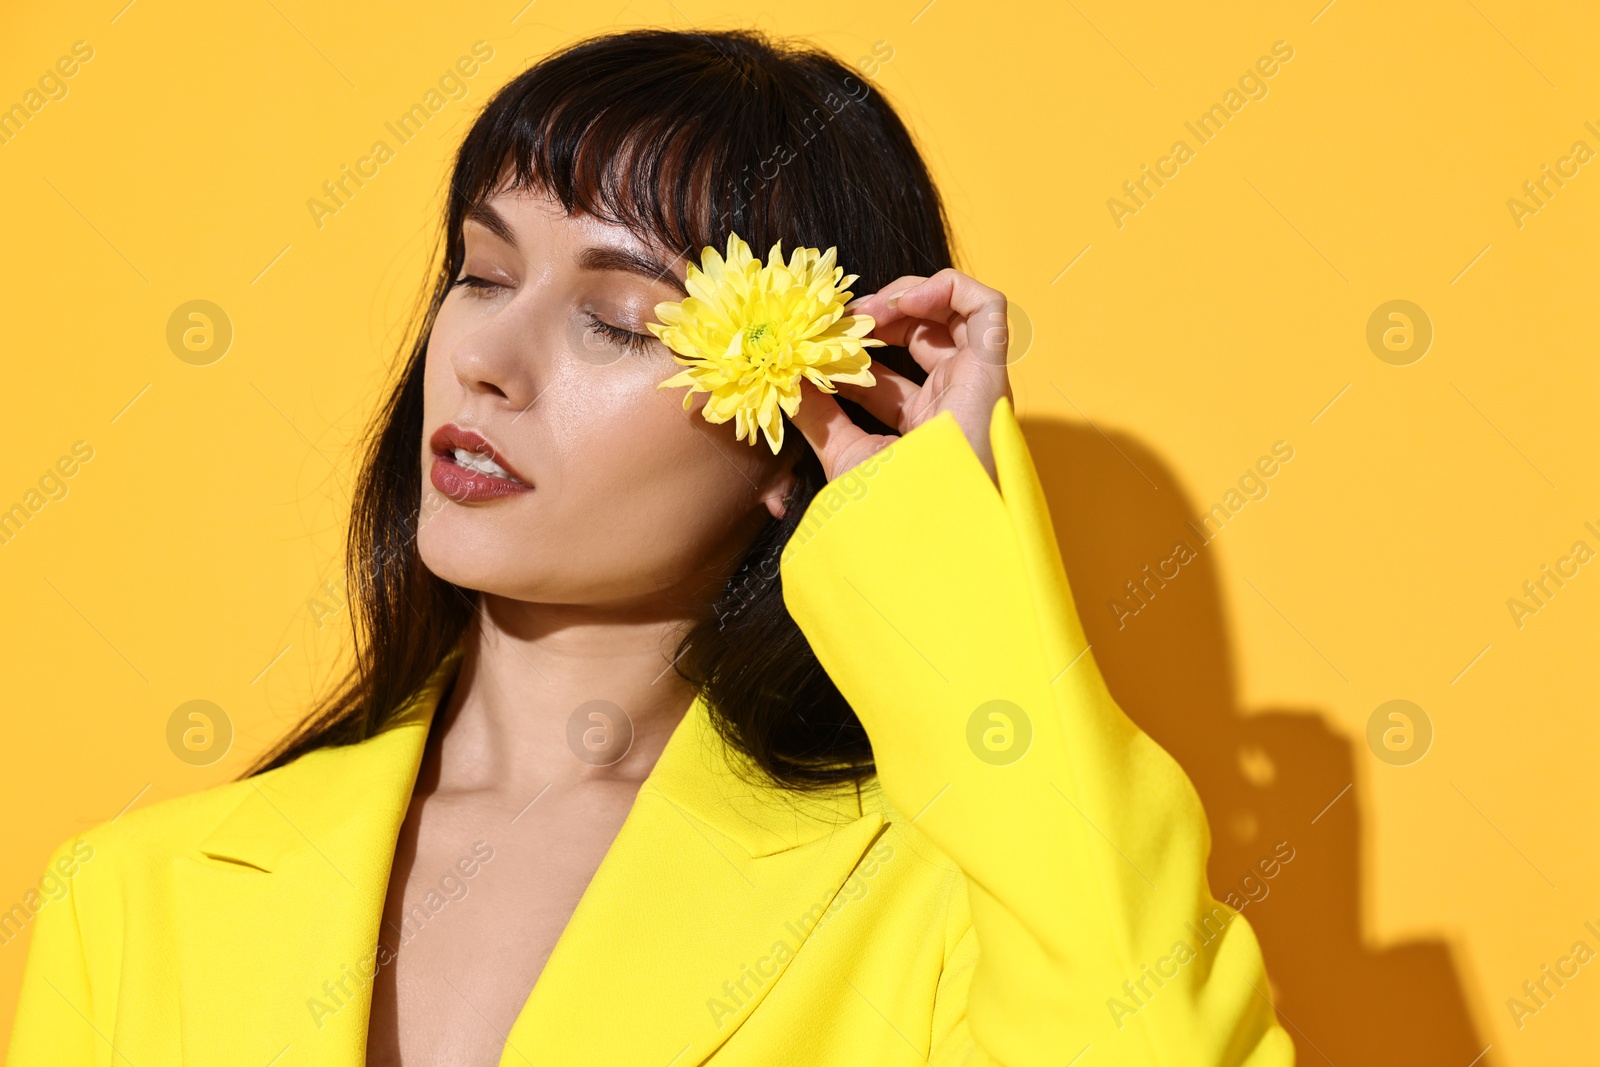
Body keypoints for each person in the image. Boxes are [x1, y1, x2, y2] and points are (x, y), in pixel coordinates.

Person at [6, 27, 1294, 1066]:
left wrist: (924, 533)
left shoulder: (940, 906)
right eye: (483, 273)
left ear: (800, 424)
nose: (482, 362)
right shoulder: (138, 901)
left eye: (620, 320)